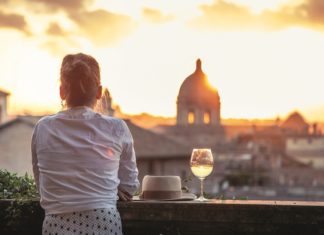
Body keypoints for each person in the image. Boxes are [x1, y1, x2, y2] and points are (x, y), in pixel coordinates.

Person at [31, 53, 140, 235]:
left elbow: (41, 183)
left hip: (56, 225)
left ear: (61, 91)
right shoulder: (117, 128)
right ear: (99, 91)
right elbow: (129, 186)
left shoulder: (43, 128)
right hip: (104, 224)